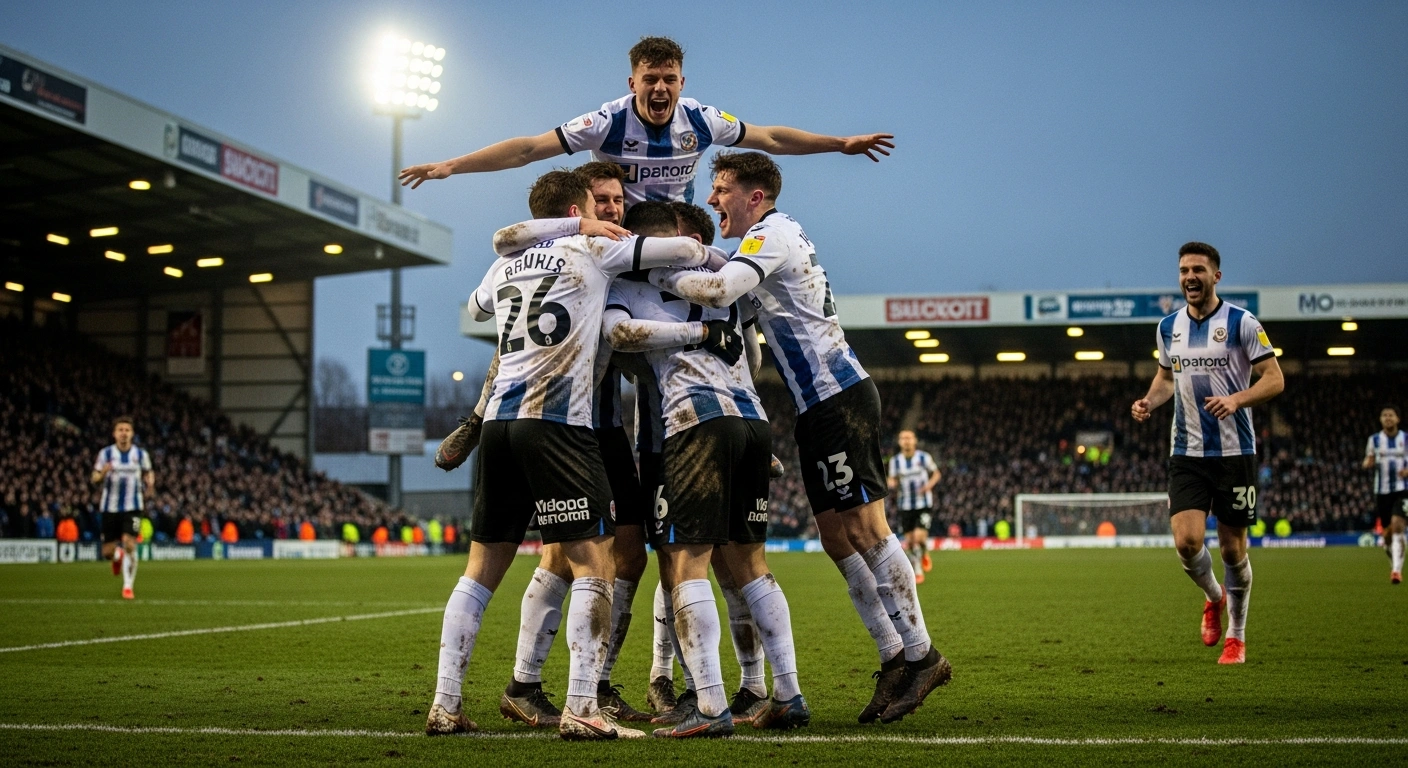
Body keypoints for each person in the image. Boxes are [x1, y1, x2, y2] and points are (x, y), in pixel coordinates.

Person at [648, 151, 949, 724]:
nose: (714, 200)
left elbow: (718, 290)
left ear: (754, 197)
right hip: (814, 409)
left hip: (839, 396)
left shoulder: (773, 235)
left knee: (866, 527)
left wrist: (655, 273)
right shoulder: (757, 241)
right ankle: (893, 658)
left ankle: (922, 654)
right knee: (836, 536)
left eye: (722, 189)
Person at [424, 170, 716, 741]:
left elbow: (481, 305)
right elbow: (681, 247)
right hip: (558, 423)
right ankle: (582, 705)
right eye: (596, 205)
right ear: (579, 210)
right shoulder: (595, 248)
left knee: (480, 571)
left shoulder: (505, 264)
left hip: (503, 423)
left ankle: (445, 704)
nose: (607, 212)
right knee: (594, 561)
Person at [604, 202, 808, 737]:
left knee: (687, 562)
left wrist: (683, 341)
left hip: (694, 420)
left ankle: (711, 706)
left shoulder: (628, 282)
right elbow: (754, 358)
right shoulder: (720, 274)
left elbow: (619, 338)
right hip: (752, 421)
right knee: (751, 565)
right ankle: (787, 694)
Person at [397, 36, 894, 206]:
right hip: (619, 232)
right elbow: (528, 149)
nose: (660, 89)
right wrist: (452, 165)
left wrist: (839, 143)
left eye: (670, 79)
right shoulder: (605, 122)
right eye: (650, 78)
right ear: (633, 82)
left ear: (682, 81)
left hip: (680, 231)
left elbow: (770, 139)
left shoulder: (701, 118)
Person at [1131, 241, 1284, 665]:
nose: (1190, 277)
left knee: (1233, 549)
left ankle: (1237, 635)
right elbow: (1166, 379)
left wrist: (1238, 400)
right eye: (1183, 270)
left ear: (1216, 276)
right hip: (1187, 451)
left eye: (1198, 269)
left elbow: (1275, 379)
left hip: (1236, 451)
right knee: (1187, 542)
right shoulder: (1167, 328)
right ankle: (1213, 596)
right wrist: (1148, 401)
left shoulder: (1242, 323)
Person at [90, 415, 153, 600]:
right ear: (114, 434)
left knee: (129, 543)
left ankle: (127, 586)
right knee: (107, 552)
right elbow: (94, 477)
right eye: (120, 430)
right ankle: (117, 557)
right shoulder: (106, 454)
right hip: (109, 508)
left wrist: (150, 483)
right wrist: (102, 474)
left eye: (127, 430)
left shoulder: (140, 455)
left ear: (132, 433)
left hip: (133, 506)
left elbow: (149, 474)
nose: (124, 433)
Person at [887, 430, 940, 583]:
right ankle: (917, 569)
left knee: (920, 538)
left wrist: (929, 486)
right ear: (899, 442)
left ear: (915, 440)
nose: (906, 441)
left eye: (909, 438)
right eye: (903, 438)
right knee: (910, 542)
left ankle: (924, 552)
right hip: (905, 505)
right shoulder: (895, 461)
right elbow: (892, 479)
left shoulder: (924, 457)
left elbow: (936, 473)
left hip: (923, 504)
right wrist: (891, 483)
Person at [1362, 405, 1407, 584]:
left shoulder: (1406, 439)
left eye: (1391, 415)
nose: (1388, 418)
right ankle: (1394, 563)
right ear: (1381, 420)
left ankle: (1396, 571)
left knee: (1398, 525)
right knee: (1387, 535)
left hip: (1403, 490)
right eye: (1384, 415)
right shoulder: (1374, 440)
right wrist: (1368, 463)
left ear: (1397, 419)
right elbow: (1367, 460)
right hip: (1382, 492)